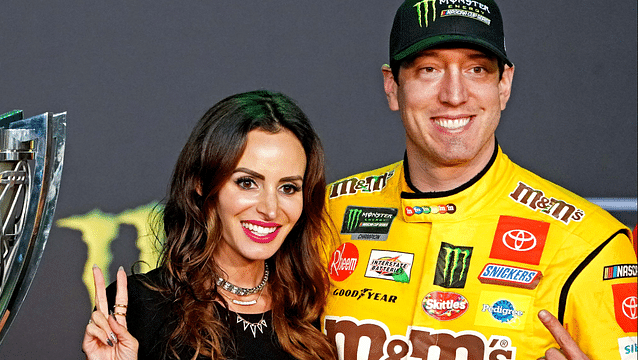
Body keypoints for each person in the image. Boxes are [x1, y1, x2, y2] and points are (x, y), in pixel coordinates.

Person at [321, 1, 637, 360]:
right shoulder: (328, 213)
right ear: (392, 86)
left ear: (504, 85)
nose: (454, 95)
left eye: (477, 69)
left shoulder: (589, 243)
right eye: (428, 69)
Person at [82, 90, 337, 360]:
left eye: (288, 187)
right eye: (247, 183)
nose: (270, 209)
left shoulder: (312, 308)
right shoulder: (142, 308)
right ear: (202, 184)